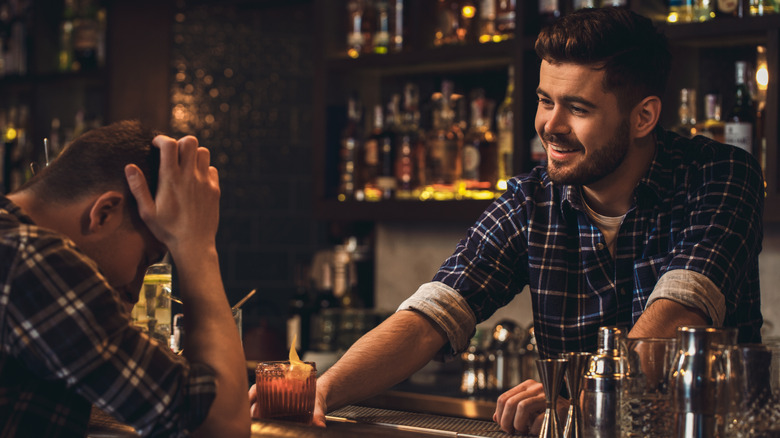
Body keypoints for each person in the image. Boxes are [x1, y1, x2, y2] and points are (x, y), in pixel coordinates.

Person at [250, 6, 764, 435]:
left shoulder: (719, 176)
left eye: (577, 108)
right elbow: (432, 315)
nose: (551, 126)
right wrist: (323, 389)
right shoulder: (530, 200)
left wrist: (577, 399)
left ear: (643, 117)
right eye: (545, 101)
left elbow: (677, 315)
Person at [1, 120, 250, 437]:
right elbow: (221, 426)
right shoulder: (33, 260)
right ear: (104, 213)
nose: (135, 293)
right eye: (147, 259)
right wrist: (197, 244)